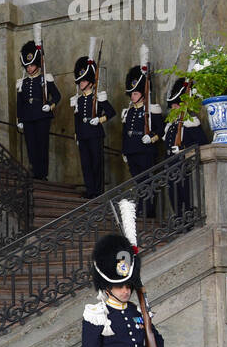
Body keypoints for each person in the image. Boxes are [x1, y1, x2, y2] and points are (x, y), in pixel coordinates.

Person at [120, 57, 163, 217]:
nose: (132, 96)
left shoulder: (152, 110)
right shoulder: (129, 111)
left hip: (145, 150)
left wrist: (151, 138)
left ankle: (148, 210)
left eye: (135, 93)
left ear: (143, 93)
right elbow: (124, 133)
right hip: (132, 151)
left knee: (147, 181)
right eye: (131, 93)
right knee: (138, 182)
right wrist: (124, 151)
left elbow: (161, 130)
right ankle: (140, 207)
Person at [161, 76, 207, 216]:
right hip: (170, 164)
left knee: (184, 193)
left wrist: (183, 149)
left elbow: (202, 143)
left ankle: (186, 219)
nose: (173, 107)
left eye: (176, 105)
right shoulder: (171, 125)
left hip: (184, 164)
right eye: (173, 105)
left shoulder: (191, 122)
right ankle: (178, 217)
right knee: (172, 193)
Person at [15, 40, 61, 181]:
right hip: (28, 117)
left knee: (42, 145)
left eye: (32, 65)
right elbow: (20, 103)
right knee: (31, 146)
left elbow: (58, 96)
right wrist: (19, 119)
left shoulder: (46, 78)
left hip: (42, 116)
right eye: (27, 66)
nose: (29, 68)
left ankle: (43, 174)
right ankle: (35, 172)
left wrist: (50, 105)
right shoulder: (23, 82)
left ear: (37, 64)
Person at [71, 53, 114, 198]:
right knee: (86, 164)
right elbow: (77, 119)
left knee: (96, 163)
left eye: (83, 81)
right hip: (83, 135)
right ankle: (90, 190)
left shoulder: (98, 97)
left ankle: (98, 191)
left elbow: (111, 112)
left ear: (90, 81)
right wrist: (77, 134)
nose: (81, 83)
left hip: (95, 134)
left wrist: (100, 119)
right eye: (80, 81)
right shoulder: (78, 100)